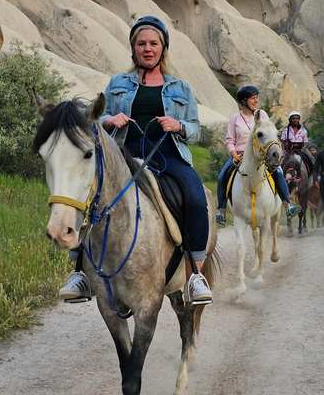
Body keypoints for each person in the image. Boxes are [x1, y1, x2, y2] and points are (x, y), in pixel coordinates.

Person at [59, 16, 213, 305]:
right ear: (133, 49)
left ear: (163, 48)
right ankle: (79, 272)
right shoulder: (118, 82)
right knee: (86, 192)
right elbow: (98, 116)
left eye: (153, 43)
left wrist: (178, 126)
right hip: (123, 153)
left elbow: (195, 130)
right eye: (141, 43)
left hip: (168, 153)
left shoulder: (181, 88)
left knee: (195, 197)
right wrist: (108, 119)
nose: (147, 48)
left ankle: (194, 277)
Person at [215, 85, 301, 224]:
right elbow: (230, 140)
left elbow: (270, 135)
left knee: (278, 173)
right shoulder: (235, 118)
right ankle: (222, 212)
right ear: (244, 101)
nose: (256, 101)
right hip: (240, 155)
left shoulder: (263, 115)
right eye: (252, 98)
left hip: (261, 155)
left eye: (256, 98)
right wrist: (234, 154)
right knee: (221, 177)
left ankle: (288, 205)